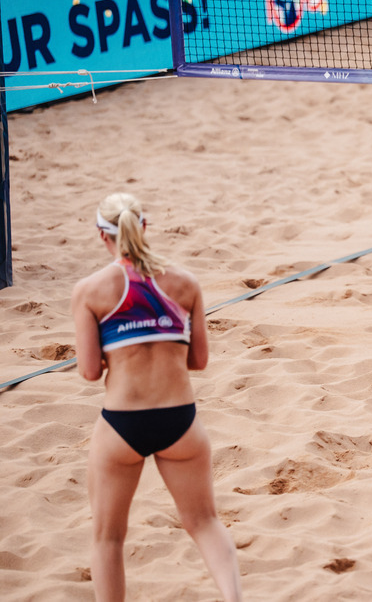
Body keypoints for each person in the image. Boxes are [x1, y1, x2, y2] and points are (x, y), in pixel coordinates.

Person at [71, 193, 243, 601]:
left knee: (108, 538)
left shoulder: (90, 290)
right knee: (204, 522)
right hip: (179, 420)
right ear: (143, 227)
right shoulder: (184, 282)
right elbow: (198, 360)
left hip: (123, 423)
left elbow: (90, 371)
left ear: (102, 236)